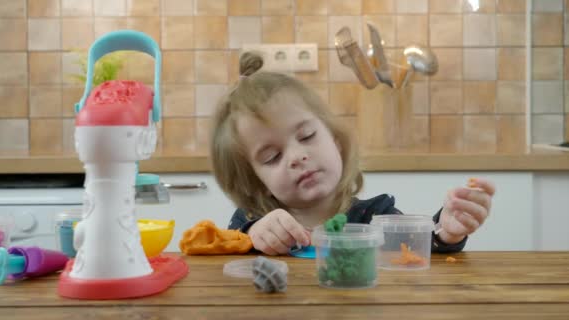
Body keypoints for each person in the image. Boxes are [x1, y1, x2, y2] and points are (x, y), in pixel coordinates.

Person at [210, 52, 495, 255]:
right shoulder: (251, 220)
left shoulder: (375, 215)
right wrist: (254, 236)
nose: (297, 157)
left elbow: (418, 247)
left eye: (307, 136)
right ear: (255, 180)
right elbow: (226, 251)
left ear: (335, 140)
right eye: (272, 157)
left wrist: (446, 231)